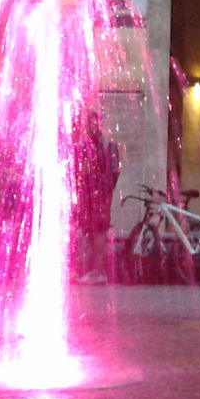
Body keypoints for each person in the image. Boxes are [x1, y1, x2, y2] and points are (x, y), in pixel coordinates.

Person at [74, 110, 120, 284]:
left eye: (94, 123)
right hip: (92, 195)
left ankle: (98, 271)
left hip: (98, 195)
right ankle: (93, 270)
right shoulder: (89, 145)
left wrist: (105, 190)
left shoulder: (104, 145)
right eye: (89, 123)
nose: (91, 127)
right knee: (92, 231)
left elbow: (114, 170)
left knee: (98, 230)